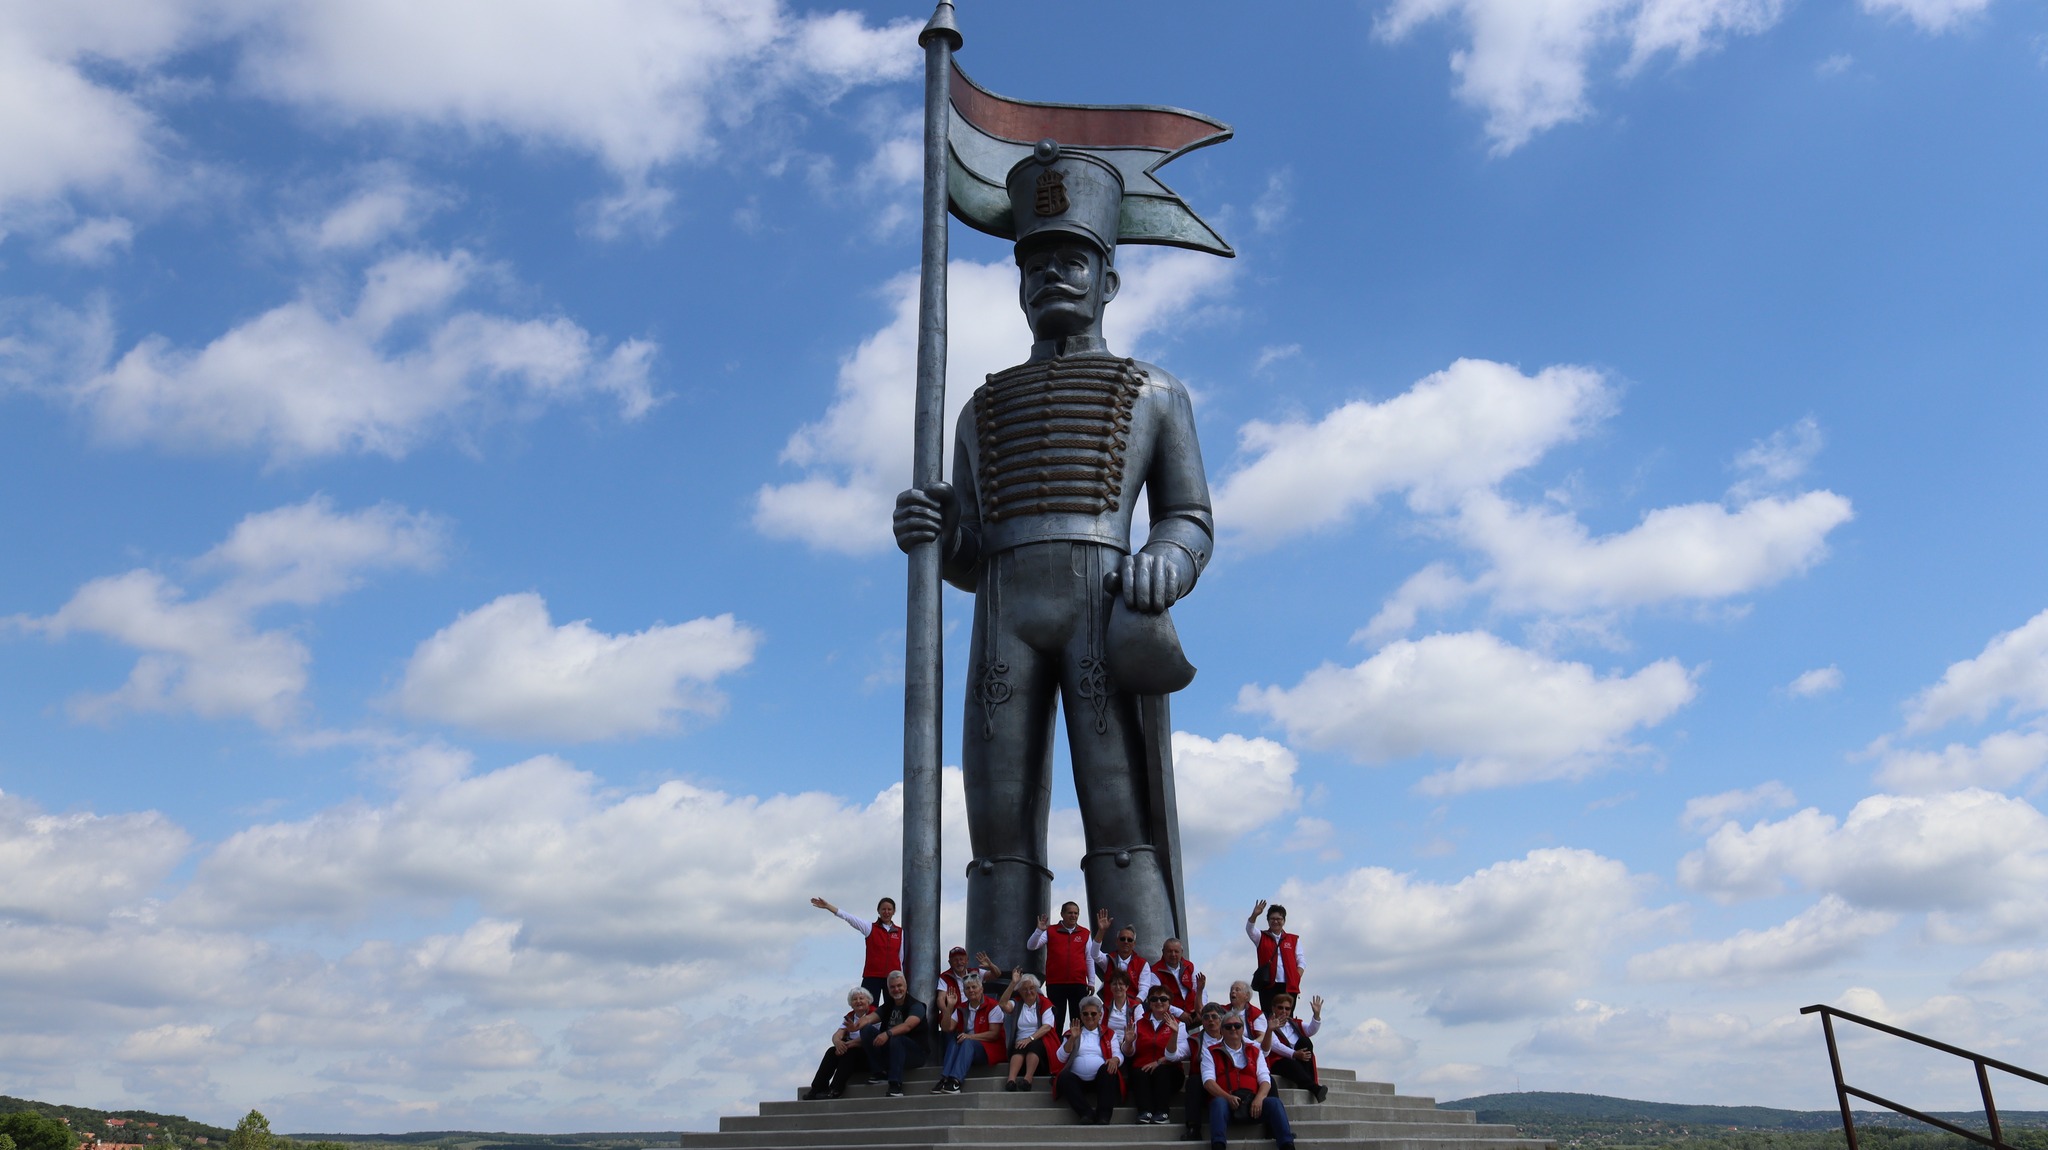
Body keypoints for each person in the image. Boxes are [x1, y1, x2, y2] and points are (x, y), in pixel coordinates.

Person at [893, 140, 1220, 973]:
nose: (1051, 277)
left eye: (1072, 261)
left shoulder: (1156, 391)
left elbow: (1189, 517)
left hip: (1102, 604)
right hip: (1003, 611)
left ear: (1109, 280)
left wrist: (1166, 561)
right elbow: (971, 553)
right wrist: (936, 533)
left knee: (1118, 809)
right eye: (1034, 265)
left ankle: (1142, 986)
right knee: (996, 822)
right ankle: (999, 987)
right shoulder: (979, 409)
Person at [1201, 1010, 1295, 1150]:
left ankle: (1287, 1145)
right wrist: (1227, 1097)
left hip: (1252, 1103)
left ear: (1243, 1029)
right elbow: (1208, 1081)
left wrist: (1259, 1099)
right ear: (1222, 1030)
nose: (1233, 1029)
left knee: (1274, 1103)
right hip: (1227, 1105)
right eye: (1228, 1026)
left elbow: (1265, 1079)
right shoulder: (1210, 1051)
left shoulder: (1255, 1050)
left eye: (1237, 1026)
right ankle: (1218, 1145)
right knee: (1218, 1103)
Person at [811, 895, 903, 1000]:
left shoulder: (900, 932)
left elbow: (901, 957)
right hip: (872, 976)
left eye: (889, 909)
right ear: (878, 911)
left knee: (893, 1008)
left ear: (894, 911)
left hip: (892, 978)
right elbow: (849, 918)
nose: (886, 912)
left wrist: (902, 978)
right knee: (867, 1007)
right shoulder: (870, 927)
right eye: (883, 909)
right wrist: (828, 906)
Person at [1026, 902, 1098, 1033]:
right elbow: (1031, 946)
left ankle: (1077, 1045)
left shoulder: (1085, 933)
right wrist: (1039, 930)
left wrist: (1092, 981)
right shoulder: (1051, 931)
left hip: (1078, 983)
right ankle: (1055, 1046)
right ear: (1062, 914)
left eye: (1076, 913)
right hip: (1055, 983)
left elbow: (1089, 958)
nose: (1073, 916)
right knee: (1056, 1020)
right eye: (1070, 913)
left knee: (1078, 1020)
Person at [1055, 995, 1122, 1125]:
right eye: (1085, 1013)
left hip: (1100, 1079)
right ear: (1081, 1015)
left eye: (1093, 1013)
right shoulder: (1072, 1033)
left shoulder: (1109, 1033)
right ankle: (1086, 1113)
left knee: (1109, 1069)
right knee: (1064, 1077)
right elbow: (1060, 1057)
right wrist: (1072, 1039)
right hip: (1077, 1081)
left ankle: (1104, 1115)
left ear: (1100, 1015)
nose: (1089, 1016)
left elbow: (1118, 1053)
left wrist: (1115, 1059)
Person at [860, 971, 928, 1098]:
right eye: (892, 987)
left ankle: (895, 1084)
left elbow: (908, 1026)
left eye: (899, 986)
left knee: (897, 1037)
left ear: (905, 986)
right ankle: (879, 1072)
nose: (896, 989)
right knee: (866, 1030)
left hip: (915, 1053)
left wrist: (887, 1033)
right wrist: (855, 1025)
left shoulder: (917, 1006)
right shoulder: (888, 1006)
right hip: (892, 1050)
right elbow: (869, 1018)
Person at [934, 974, 1005, 1094]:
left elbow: (994, 1034)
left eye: (974, 987)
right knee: (955, 1040)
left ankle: (955, 1081)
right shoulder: (961, 1007)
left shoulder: (993, 1006)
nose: (971, 990)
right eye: (967, 988)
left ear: (981, 989)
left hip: (989, 1049)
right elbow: (946, 1028)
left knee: (967, 1042)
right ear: (965, 992)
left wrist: (970, 1037)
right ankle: (945, 1079)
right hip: (967, 1048)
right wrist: (949, 1007)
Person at [1125, 985, 1186, 1125]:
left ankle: (1162, 1112)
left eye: (1163, 999)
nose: (1158, 1002)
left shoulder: (1179, 1025)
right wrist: (1128, 1043)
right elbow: (1129, 1052)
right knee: (1138, 1073)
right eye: (1154, 999)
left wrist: (1159, 1062)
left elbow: (1182, 1053)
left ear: (1169, 1003)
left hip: (1169, 1072)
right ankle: (1144, 1111)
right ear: (1149, 1003)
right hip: (1143, 1070)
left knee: (1162, 1071)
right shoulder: (1139, 1023)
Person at [805, 987, 878, 1101]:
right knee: (831, 1051)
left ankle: (835, 1089)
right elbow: (837, 1034)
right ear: (851, 1004)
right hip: (851, 1050)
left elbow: (869, 1038)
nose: (858, 1001)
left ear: (868, 1001)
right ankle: (817, 1088)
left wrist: (847, 1045)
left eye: (861, 998)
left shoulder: (874, 1015)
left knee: (850, 1052)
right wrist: (838, 1043)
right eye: (854, 999)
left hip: (869, 1054)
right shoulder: (850, 1017)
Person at [996, 970, 1057, 1091]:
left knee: (1033, 1046)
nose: (1028, 992)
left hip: (1039, 1040)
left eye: (1031, 988)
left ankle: (1028, 1079)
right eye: (1024, 989)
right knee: (1019, 1047)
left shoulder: (1044, 1003)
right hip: (1020, 1041)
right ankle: (1011, 1080)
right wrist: (1013, 983)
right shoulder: (1017, 1003)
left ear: (1036, 989)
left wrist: (1030, 1039)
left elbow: (1047, 1026)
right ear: (1019, 991)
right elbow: (1002, 1004)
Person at [1261, 992, 1326, 1103]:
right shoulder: (1268, 1024)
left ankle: (1308, 1083)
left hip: (1298, 1058)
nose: (1284, 1011)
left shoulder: (1293, 1023)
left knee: (1305, 1041)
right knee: (1290, 1063)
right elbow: (1275, 1045)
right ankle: (1314, 1088)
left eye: (1287, 1009)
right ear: (1273, 1008)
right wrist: (1294, 1054)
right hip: (1278, 1061)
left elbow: (1311, 1030)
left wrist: (1316, 1015)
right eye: (1280, 1008)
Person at [1245, 900, 1306, 1017]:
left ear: (1284, 921)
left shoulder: (1293, 939)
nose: (1275, 921)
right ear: (1268, 920)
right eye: (1272, 919)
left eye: (1279, 919)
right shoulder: (1261, 936)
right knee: (1269, 1016)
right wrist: (1255, 915)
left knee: (1287, 1017)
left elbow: (1301, 960)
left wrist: (1297, 975)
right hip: (1268, 985)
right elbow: (1249, 929)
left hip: (1289, 985)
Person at [1179, 1002, 1227, 1142]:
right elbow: (1173, 1055)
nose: (1210, 1020)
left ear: (1221, 1019)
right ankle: (1193, 1128)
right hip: (1203, 1083)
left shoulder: (1232, 1035)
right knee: (1193, 1081)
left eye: (1214, 1017)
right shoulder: (1194, 1040)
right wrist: (1175, 1034)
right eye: (1206, 1017)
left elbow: (1259, 1049)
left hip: (1226, 1079)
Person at [1097, 911, 1160, 1001]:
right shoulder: (1108, 959)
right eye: (1122, 939)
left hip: (1133, 1004)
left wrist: (1134, 1005)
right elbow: (1094, 954)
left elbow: (1144, 989)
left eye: (1129, 940)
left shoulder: (1142, 964)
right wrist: (1101, 931)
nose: (1126, 942)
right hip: (1110, 1005)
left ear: (1134, 944)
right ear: (1117, 941)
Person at [1152, 937, 1205, 1017]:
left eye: (1176, 951)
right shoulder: (1155, 971)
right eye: (1169, 951)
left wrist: (1202, 1009)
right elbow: (1156, 999)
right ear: (1163, 952)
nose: (1173, 954)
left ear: (1182, 952)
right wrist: (1179, 1013)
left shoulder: (1190, 966)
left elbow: (1201, 990)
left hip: (1194, 1012)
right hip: (1170, 1015)